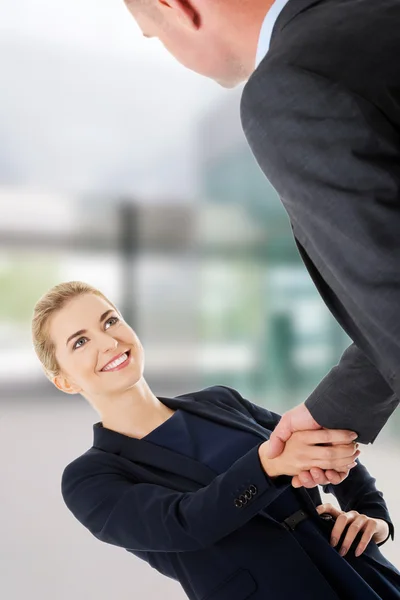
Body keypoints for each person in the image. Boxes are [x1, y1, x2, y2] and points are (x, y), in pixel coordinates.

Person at [122, 0, 400, 489]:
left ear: (177, 7)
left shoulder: (293, 85)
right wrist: (335, 408)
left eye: (155, 35)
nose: (168, 52)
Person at [31, 280, 400, 599]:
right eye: (80, 342)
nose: (108, 341)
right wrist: (270, 465)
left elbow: (317, 445)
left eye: (110, 321)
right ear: (64, 380)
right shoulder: (88, 480)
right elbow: (186, 522)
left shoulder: (219, 400)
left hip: (362, 572)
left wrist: (374, 517)